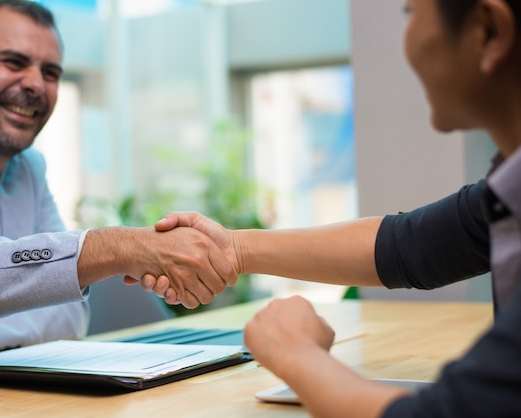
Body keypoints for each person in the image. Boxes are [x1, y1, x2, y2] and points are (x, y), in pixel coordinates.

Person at [139, 0, 521, 416]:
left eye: (411, 12)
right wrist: (233, 249)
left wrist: (297, 355)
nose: (406, 40)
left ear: (487, 31)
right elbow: (407, 246)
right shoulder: (507, 193)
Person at [0, 0, 234, 371]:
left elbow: (70, 314)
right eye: (13, 62)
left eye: (51, 72)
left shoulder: (28, 168)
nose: (36, 84)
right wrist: (115, 247)